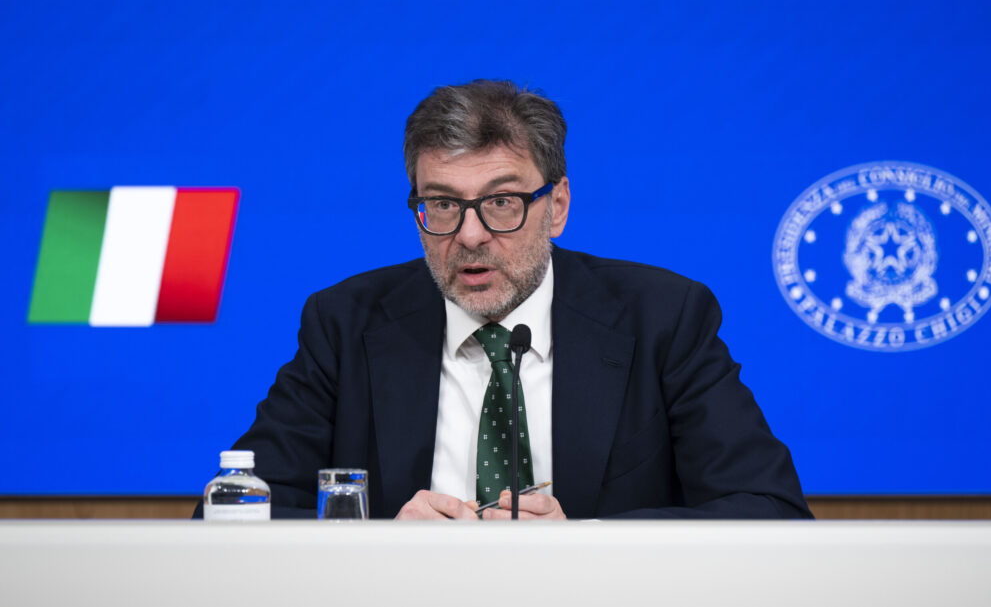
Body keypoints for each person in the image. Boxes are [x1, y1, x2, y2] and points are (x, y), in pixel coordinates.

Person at [201, 80, 812, 520]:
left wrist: (586, 544)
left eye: (501, 202)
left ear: (557, 207)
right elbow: (229, 513)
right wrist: (379, 543)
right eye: (443, 204)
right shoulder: (345, 323)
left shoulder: (662, 318)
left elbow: (769, 508)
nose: (469, 235)